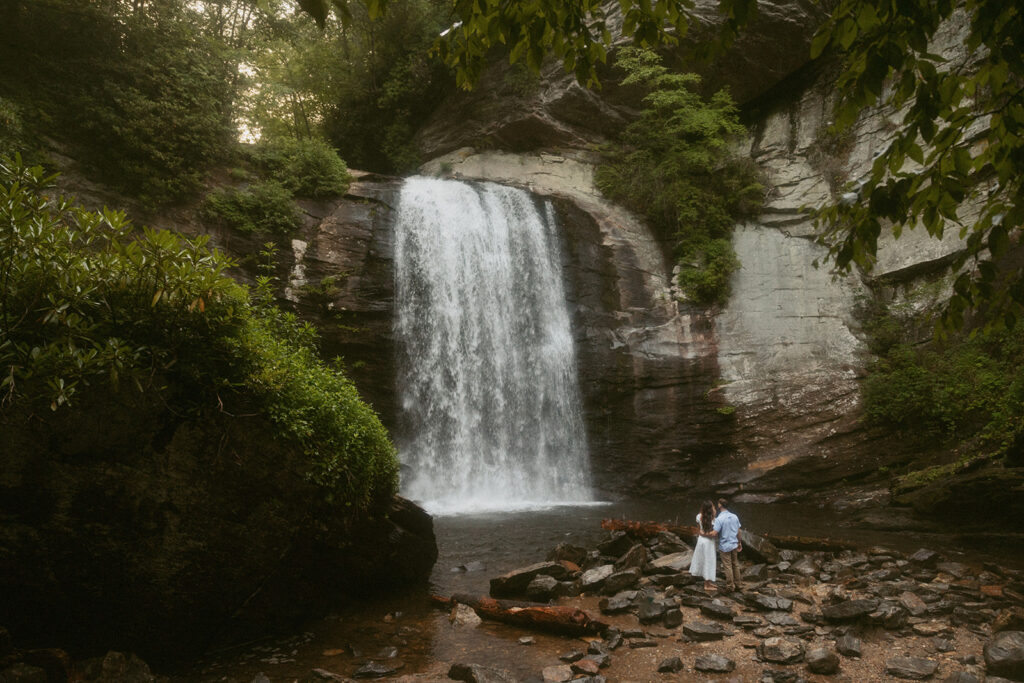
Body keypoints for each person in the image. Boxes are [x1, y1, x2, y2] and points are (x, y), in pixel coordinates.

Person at [713, 497, 743, 592]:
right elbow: (738, 531)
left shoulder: (719, 519)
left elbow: (715, 533)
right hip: (734, 543)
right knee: (735, 564)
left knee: (728, 566)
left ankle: (730, 586)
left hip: (725, 545)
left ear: (720, 506)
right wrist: (739, 542)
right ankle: (738, 584)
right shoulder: (734, 516)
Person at [688, 500, 718, 591]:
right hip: (709, 542)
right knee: (709, 560)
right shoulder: (713, 519)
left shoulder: (699, 516)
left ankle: (708, 582)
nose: (714, 508)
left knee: (702, 559)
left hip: (701, 541)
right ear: (710, 509)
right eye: (713, 506)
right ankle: (706, 584)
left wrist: (702, 533)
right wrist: (706, 534)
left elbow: (699, 530)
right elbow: (713, 534)